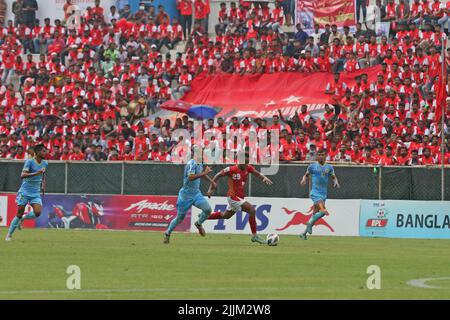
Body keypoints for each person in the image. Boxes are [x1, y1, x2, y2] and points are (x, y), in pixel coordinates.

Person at [206, 150, 273, 244]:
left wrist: (264, 178)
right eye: (245, 163)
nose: (246, 165)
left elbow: (256, 173)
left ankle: (204, 217)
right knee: (251, 210)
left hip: (239, 197)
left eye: (247, 162)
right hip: (233, 197)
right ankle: (255, 236)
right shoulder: (231, 169)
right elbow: (217, 176)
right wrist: (210, 189)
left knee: (226, 215)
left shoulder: (247, 168)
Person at [163, 148, 215, 244]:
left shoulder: (199, 163)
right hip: (185, 196)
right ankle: (167, 233)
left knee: (207, 209)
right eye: (200, 153)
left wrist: (211, 182)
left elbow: (201, 174)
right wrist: (205, 172)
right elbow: (191, 177)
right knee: (179, 218)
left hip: (196, 193)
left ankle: (198, 223)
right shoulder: (191, 164)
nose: (202, 155)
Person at [5, 144, 48, 241]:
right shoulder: (29, 162)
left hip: (35, 192)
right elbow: (22, 175)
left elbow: (43, 174)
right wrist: (36, 173)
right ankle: (9, 235)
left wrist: (43, 184)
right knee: (19, 213)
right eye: (43, 151)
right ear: (37, 152)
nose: (46, 153)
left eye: (46, 151)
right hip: (24, 192)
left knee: (38, 212)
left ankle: (24, 218)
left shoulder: (45, 163)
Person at [299, 149, 340, 240]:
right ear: (317, 156)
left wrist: (336, 182)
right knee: (323, 211)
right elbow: (306, 175)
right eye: (319, 155)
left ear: (325, 156)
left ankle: (303, 233)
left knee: (315, 214)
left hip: (323, 194)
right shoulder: (312, 166)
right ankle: (309, 224)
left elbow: (333, 177)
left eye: (323, 155)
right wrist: (304, 179)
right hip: (315, 193)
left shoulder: (329, 167)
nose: (321, 156)